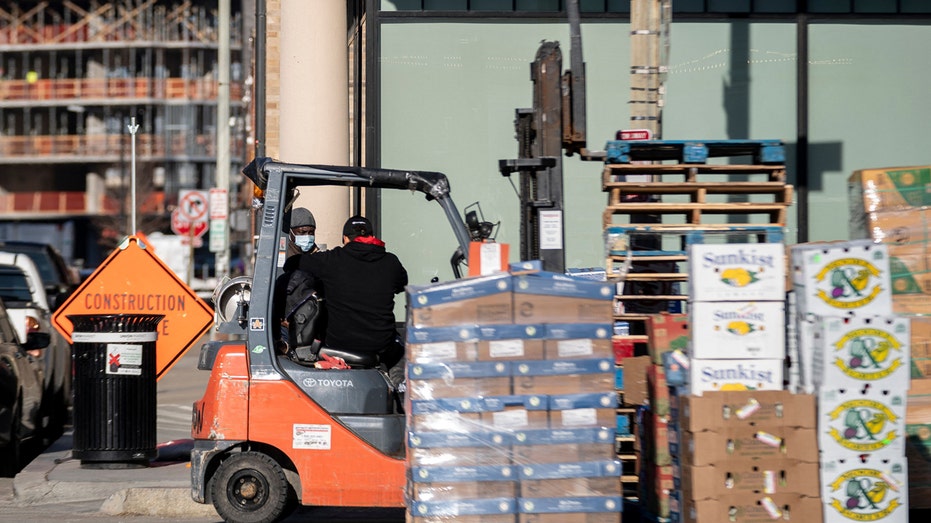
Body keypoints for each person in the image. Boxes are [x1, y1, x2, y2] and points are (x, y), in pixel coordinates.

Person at [285, 215, 408, 382]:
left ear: (345, 238)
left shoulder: (331, 260)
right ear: (372, 236)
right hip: (380, 344)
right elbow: (402, 283)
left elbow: (292, 263)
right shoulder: (391, 262)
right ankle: (397, 388)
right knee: (401, 350)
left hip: (340, 343)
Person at [274, 207, 323, 354]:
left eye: (311, 232)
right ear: (291, 233)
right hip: (286, 325)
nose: (307, 236)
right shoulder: (280, 258)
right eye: (302, 232)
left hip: (314, 323)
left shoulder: (320, 257)